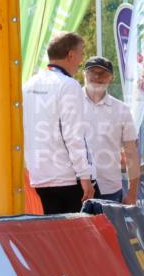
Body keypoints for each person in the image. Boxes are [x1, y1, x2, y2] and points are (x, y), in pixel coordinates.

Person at [22, 32, 94, 214]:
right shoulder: (69, 85)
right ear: (70, 55)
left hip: (38, 175)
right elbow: (73, 135)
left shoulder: (28, 85)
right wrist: (85, 175)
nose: (81, 59)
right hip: (66, 177)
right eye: (81, 53)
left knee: (51, 237)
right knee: (73, 239)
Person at [81, 57, 140, 204]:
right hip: (75, 188)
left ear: (111, 78)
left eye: (103, 74)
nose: (97, 77)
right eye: (92, 72)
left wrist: (132, 193)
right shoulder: (68, 104)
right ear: (84, 74)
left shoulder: (122, 110)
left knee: (110, 228)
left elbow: (131, 153)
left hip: (110, 189)